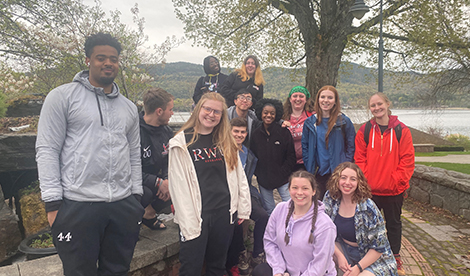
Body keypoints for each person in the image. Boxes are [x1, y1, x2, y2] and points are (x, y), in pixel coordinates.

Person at [36, 32, 144, 275]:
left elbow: (134, 154)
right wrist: (53, 204)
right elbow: (47, 149)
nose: (108, 63)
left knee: (118, 271)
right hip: (78, 205)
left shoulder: (128, 108)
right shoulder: (62, 97)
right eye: (101, 58)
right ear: (88, 60)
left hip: (122, 205)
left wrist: (136, 197)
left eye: (113, 59)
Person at [168, 92, 251, 276]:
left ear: (222, 116)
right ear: (199, 109)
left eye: (217, 112)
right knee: (191, 268)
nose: (211, 114)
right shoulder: (181, 143)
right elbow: (178, 187)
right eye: (208, 109)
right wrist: (187, 221)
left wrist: (242, 207)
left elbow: (239, 177)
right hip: (196, 214)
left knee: (217, 266)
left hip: (224, 212)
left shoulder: (225, 140)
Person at [354, 92, 415, 275]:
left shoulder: (401, 131)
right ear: (369, 108)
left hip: (393, 190)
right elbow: (359, 158)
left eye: (379, 104)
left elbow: (407, 160)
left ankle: (395, 256)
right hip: (370, 191)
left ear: (387, 104)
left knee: (393, 224)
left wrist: (397, 181)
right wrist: (366, 182)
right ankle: (366, 256)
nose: (376, 108)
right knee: (366, 226)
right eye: (373, 105)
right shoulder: (364, 131)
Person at [252, 170, 336, 276]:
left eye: (305, 188)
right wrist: (279, 271)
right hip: (286, 271)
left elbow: (319, 264)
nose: (299, 193)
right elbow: (270, 242)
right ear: (289, 189)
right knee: (260, 271)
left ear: (313, 191)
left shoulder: (325, 225)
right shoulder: (280, 210)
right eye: (295, 188)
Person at [323, 162, 398, 276]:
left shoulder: (368, 208)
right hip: (343, 248)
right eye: (343, 178)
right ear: (337, 179)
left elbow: (378, 247)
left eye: (353, 179)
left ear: (359, 183)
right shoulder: (331, 198)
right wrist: (339, 255)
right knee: (323, 254)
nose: (347, 183)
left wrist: (358, 268)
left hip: (373, 257)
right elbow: (323, 232)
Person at [226, 117, 269, 275]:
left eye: (242, 132)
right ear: (229, 132)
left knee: (262, 215)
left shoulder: (248, 154)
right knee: (236, 224)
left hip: (245, 193)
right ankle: (238, 257)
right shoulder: (222, 150)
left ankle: (257, 252)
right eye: (236, 131)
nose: (239, 135)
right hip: (227, 195)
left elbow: (248, 180)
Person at [302, 85, 356, 200]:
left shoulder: (344, 122)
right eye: (323, 97)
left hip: (338, 173)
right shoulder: (310, 122)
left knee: (338, 207)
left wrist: (345, 166)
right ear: (318, 100)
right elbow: (305, 147)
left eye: (330, 98)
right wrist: (309, 164)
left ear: (335, 101)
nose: (326, 100)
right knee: (319, 207)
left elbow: (351, 146)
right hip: (318, 172)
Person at [251, 98, 296, 215]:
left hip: (283, 179)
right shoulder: (256, 134)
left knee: (291, 208)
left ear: (277, 115)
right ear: (261, 113)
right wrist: (258, 173)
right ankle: (273, 232)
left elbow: (291, 156)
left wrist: (283, 172)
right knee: (269, 210)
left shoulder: (284, 132)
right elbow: (253, 155)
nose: (269, 115)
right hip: (264, 180)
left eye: (272, 113)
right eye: (265, 112)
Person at [140, 88, 174, 230]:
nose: (172, 114)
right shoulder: (133, 131)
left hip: (158, 179)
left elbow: (169, 161)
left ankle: (149, 214)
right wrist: (157, 182)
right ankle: (132, 221)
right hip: (136, 182)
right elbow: (127, 170)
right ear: (159, 111)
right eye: (170, 110)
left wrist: (166, 180)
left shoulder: (166, 131)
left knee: (178, 184)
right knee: (145, 194)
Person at [282, 86, 314, 171]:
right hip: (287, 161)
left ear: (306, 99)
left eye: (301, 96)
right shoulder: (282, 117)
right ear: (290, 99)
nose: (298, 99)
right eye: (295, 96)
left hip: (307, 161)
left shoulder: (313, 116)